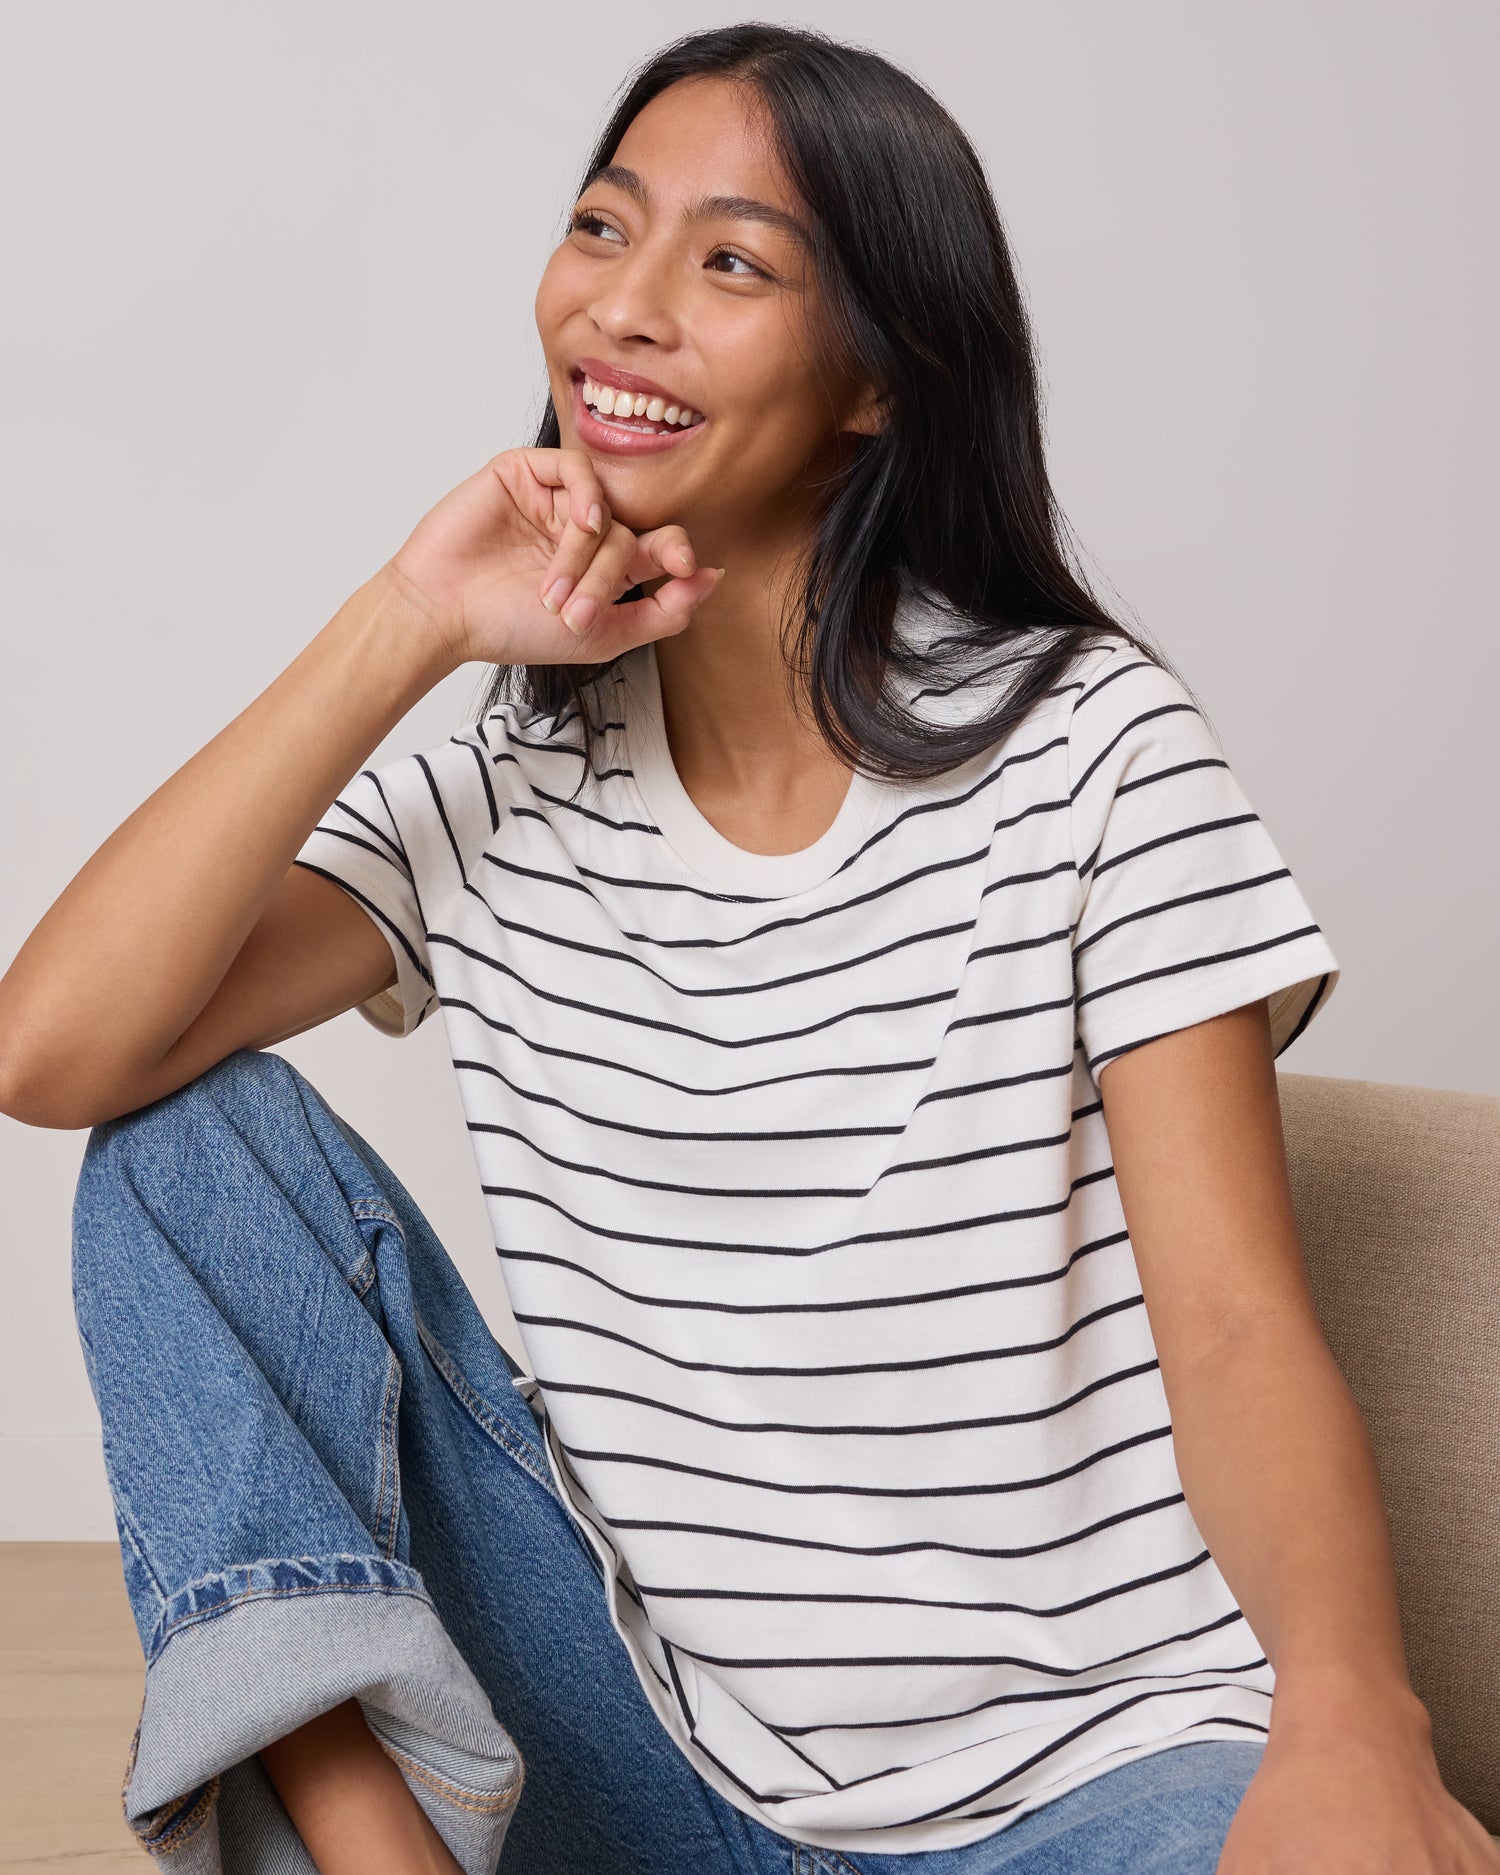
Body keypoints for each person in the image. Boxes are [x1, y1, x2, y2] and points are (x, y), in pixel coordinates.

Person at [2, 19, 1494, 1875]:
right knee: (175, 1150)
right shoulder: (504, 771)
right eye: (601, 228)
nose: (622, 309)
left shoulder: (1094, 750)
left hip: (1094, 1783)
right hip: (656, 1758)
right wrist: (404, 625)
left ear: (878, 376)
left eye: (730, 264)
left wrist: (1351, 1726)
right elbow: (50, 1053)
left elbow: (1237, 1324)